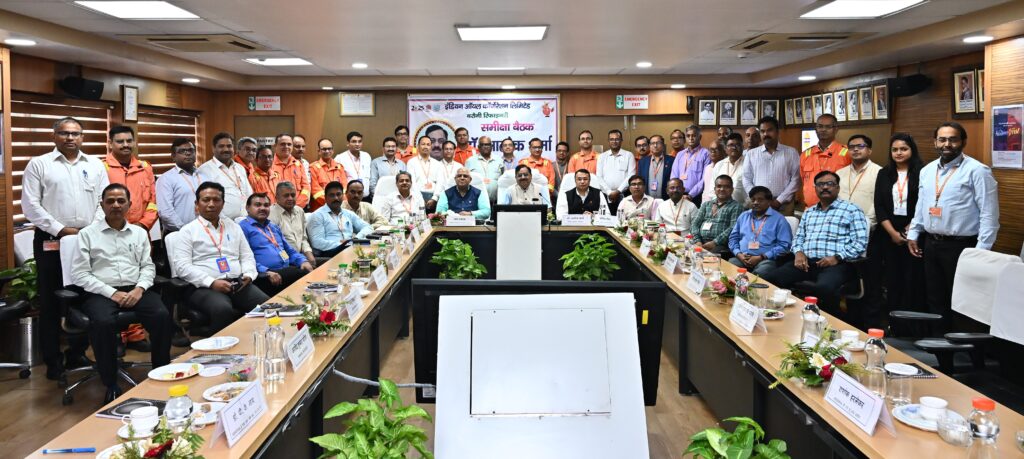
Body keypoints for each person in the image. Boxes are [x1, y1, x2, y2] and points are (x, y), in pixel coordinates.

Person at [22, 116, 109, 379]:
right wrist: (62, 230)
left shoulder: (94, 165)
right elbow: (30, 205)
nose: (70, 138)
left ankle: (77, 353)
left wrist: (90, 230)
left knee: (83, 296)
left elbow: (104, 201)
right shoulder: (39, 164)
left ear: (82, 137)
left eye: (75, 133)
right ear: (54, 136)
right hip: (52, 239)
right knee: (51, 299)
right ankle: (53, 361)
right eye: (64, 133)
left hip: (87, 238)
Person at [70, 184, 172, 403]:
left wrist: (140, 288)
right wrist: (111, 293)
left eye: (120, 201)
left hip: (135, 288)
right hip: (101, 291)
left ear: (129, 205)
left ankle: (161, 371)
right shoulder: (87, 234)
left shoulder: (139, 233)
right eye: (110, 201)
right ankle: (110, 382)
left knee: (162, 315)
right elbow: (80, 274)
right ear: (102, 205)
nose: (115, 205)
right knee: (103, 322)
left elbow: (147, 266)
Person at [907, 122, 1000, 333]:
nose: (947, 144)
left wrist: (981, 252)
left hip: (962, 247)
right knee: (935, 297)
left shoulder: (978, 171)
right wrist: (914, 232)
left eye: (953, 139)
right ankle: (939, 344)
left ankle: (963, 347)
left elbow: (989, 215)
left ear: (963, 142)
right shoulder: (927, 171)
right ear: (935, 142)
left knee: (962, 301)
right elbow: (922, 205)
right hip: (931, 244)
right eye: (942, 139)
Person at [762, 171, 868, 320]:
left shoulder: (852, 210)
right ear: (815, 188)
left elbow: (860, 242)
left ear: (837, 188)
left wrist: (837, 257)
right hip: (806, 263)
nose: (825, 187)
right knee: (769, 279)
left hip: (837, 264)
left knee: (823, 288)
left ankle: (829, 324)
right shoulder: (809, 212)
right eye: (820, 184)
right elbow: (799, 238)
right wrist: (798, 253)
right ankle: (787, 318)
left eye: (829, 184)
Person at [173, 182, 268, 333]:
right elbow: (182, 267)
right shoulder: (187, 231)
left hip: (238, 283)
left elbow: (247, 256)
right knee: (222, 309)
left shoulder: (234, 227)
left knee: (266, 305)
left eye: (216, 200)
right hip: (203, 287)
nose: (211, 204)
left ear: (223, 204)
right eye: (206, 200)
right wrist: (211, 282)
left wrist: (249, 275)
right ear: (197, 204)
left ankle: (256, 340)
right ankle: (220, 345)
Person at [873, 133, 924, 314]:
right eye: (894, 150)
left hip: (916, 232)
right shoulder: (884, 173)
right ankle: (893, 319)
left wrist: (910, 230)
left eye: (903, 149)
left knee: (913, 279)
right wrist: (893, 233)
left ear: (912, 150)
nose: (899, 153)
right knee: (892, 278)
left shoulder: (923, 172)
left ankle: (913, 322)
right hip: (889, 233)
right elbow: (879, 205)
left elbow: (924, 204)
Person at [240, 193, 312, 297]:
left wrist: (302, 261)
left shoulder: (272, 227)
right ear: (247, 208)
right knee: (301, 275)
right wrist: (265, 272)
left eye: (266, 205)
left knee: (307, 268)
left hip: (284, 270)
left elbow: (289, 251)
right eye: (258, 205)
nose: (262, 208)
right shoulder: (242, 228)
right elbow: (244, 258)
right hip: (264, 275)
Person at [102, 126, 158, 230]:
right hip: (111, 230)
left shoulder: (145, 167)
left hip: (141, 230)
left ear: (134, 142)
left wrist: (143, 224)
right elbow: (98, 203)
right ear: (110, 144)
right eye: (120, 141)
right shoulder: (102, 168)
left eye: (129, 141)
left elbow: (153, 202)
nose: (126, 145)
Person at [728, 186, 792, 276]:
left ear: (769, 202)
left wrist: (762, 257)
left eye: (760, 200)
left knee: (761, 273)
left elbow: (784, 245)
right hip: (742, 258)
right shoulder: (744, 216)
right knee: (729, 268)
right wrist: (738, 254)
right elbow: (733, 238)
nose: (755, 202)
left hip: (765, 260)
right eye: (753, 200)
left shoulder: (779, 219)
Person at [742, 116, 799, 214]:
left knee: (785, 224)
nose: (766, 134)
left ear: (777, 132)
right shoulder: (751, 154)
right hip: (757, 204)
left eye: (769, 130)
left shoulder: (791, 152)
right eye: (762, 131)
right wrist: (758, 199)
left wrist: (779, 201)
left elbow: (796, 180)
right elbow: (746, 179)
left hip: (784, 205)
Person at [308, 181, 373, 257]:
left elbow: (368, 227)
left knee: (372, 246)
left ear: (343, 195)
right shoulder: (318, 215)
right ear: (325, 197)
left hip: (350, 248)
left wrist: (355, 239)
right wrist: (342, 245)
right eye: (332, 195)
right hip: (330, 252)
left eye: (338, 194)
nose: (336, 198)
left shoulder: (348, 214)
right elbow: (317, 242)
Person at [197, 132, 253, 220]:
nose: (226, 149)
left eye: (229, 146)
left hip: (246, 220)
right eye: (221, 146)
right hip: (223, 222)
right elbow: (206, 199)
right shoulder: (205, 170)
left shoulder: (240, 168)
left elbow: (248, 192)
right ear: (213, 148)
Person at [800, 114, 851, 207]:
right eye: (820, 126)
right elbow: (803, 180)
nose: (823, 130)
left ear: (836, 129)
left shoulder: (847, 153)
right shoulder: (806, 154)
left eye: (828, 127)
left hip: (838, 208)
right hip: (811, 208)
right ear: (816, 129)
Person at [837, 134, 882, 230]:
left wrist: (868, 223)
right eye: (851, 147)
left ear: (869, 150)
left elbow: (880, 202)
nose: (855, 149)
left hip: (866, 225)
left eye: (860, 146)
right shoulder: (839, 173)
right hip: (840, 223)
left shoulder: (880, 172)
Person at [689, 175, 743, 255]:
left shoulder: (736, 206)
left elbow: (733, 228)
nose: (722, 189)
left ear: (732, 189)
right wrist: (697, 241)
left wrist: (715, 242)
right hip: (700, 242)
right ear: (715, 189)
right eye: (719, 186)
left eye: (726, 187)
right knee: (684, 252)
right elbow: (694, 224)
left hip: (721, 245)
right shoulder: (706, 204)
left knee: (705, 256)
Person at [156, 138, 200, 232]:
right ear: (173, 156)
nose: (188, 153)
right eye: (182, 151)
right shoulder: (166, 179)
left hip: (205, 232)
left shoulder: (204, 175)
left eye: (191, 150)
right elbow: (166, 212)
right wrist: (185, 231)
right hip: (178, 232)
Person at [269, 181, 316, 268]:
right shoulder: (270, 214)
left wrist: (308, 253)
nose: (290, 198)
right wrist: (293, 261)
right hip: (285, 260)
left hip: (301, 256)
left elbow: (303, 239)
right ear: (276, 198)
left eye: (293, 195)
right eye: (286, 196)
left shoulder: (300, 211)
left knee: (328, 263)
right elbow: (276, 246)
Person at [669, 125, 711, 207]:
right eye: (688, 136)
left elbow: (705, 179)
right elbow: (674, 175)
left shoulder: (706, 154)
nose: (691, 138)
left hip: (696, 196)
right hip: (678, 195)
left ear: (700, 137)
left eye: (694, 135)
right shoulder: (680, 154)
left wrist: (691, 195)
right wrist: (676, 191)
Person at [597, 129, 636, 212]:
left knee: (624, 217)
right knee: (607, 217)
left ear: (621, 140)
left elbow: (631, 175)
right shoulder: (602, 156)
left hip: (624, 194)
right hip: (606, 195)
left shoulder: (629, 155)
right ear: (608, 141)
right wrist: (609, 192)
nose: (614, 141)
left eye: (617, 139)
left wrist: (618, 191)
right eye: (611, 139)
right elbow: (599, 177)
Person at [271, 134, 311, 208]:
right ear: (275, 146)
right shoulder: (269, 165)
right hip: (276, 209)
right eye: (282, 144)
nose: (286, 147)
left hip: (297, 208)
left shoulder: (298, 164)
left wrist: (297, 205)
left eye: (289, 144)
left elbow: (306, 187)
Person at [310, 138, 348, 211]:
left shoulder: (339, 167)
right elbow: (316, 192)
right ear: (319, 151)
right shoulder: (313, 168)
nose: (327, 151)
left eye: (329, 149)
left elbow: (345, 188)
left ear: (333, 150)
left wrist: (339, 204)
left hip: (339, 208)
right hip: (320, 209)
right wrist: (333, 204)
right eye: (324, 149)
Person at [465, 135, 502, 202]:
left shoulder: (499, 160)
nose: (485, 147)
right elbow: (465, 180)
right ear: (478, 147)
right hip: (475, 202)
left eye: (488, 144)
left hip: (495, 202)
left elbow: (503, 180)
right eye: (482, 145)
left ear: (491, 146)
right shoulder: (470, 161)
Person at [407, 135, 444, 202]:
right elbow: (412, 182)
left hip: (434, 197)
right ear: (418, 146)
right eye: (423, 144)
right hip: (416, 197)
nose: (425, 147)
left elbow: (440, 183)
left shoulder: (437, 164)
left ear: (431, 147)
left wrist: (434, 198)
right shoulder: (412, 162)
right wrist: (420, 199)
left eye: (428, 144)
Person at [335, 131, 373, 197]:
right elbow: (337, 179)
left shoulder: (366, 156)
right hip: (348, 197)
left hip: (366, 196)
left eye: (359, 141)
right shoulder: (340, 158)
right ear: (348, 143)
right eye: (354, 141)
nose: (357, 144)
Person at [714, 133, 747, 205]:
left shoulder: (748, 164)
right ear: (725, 148)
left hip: (742, 206)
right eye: (731, 145)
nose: (734, 148)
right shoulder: (719, 165)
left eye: (737, 145)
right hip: (720, 206)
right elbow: (712, 189)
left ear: (743, 147)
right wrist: (717, 205)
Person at [638, 134, 674, 200]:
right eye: (652, 143)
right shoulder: (642, 162)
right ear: (649, 146)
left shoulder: (672, 160)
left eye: (658, 143)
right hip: (647, 200)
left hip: (666, 200)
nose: (655, 145)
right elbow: (640, 181)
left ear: (663, 145)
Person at [700, 139, 726, 204]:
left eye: (716, 149)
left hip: (719, 205)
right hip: (705, 204)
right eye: (710, 150)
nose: (713, 152)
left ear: (724, 151)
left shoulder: (725, 167)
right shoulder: (707, 168)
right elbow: (705, 190)